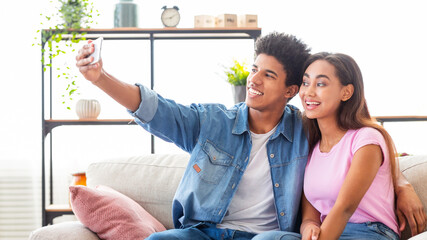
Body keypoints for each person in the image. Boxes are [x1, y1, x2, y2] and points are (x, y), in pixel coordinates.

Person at [75, 33, 425, 240]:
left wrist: (401, 183)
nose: (253, 80)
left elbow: (363, 146)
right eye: (254, 69)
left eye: (268, 75)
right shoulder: (212, 122)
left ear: (290, 89)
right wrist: (100, 77)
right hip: (205, 233)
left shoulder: (305, 128)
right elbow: (157, 111)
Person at [297, 52, 427, 240]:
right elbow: (310, 215)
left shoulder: (366, 139)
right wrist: (309, 227)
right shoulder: (310, 146)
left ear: (346, 92)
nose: (308, 92)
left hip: (371, 232)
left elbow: (345, 207)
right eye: (306, 82)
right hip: (331, 233)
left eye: (321, 84)